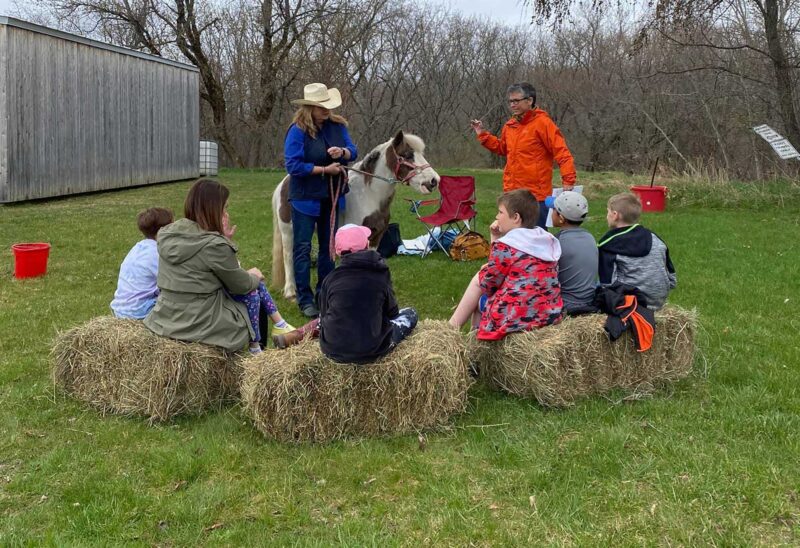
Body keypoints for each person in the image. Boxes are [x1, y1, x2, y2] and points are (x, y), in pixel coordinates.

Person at [145, 179, 267, 352]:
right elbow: (241, 285)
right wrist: (255, 276)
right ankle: (257, 355)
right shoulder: (214, 245)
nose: (226, 213)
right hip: (200, 324)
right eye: (225, 207)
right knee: (255, 296)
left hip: (165, 318)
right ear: (214, 209)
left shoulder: (167, 233)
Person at [272, 224, 418, 364]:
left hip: (332, 349)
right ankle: (298, 334)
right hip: (373, 349)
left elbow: (324, 314)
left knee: (328, 319)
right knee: (411, 313)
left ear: (338, 252)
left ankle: (298, 334)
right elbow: (392, 312)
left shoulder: (330, 279)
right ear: (366, 246)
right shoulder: (380, 273)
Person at [284, 82, 358, 318]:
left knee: (329, 248)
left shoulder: (337, 126)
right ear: (310, 108)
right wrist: (324, 170)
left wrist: (343, 153)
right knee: (303, 248)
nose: (326, 111)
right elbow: (293, 165)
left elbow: (352, 150)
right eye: (321, 107)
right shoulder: (297, 131)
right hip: (305, 198)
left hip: (332, 196)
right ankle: (305, 298)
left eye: (327, 106)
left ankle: (324, 294)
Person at [449, 189, 563, 340]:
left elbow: (489, 284)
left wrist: (495, 242)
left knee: (479, 280)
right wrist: (496, 237)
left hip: (515, 319)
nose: (496, 216)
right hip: (548, 316)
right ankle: (471, 342)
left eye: (500, 212)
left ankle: (450, 331)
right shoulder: (546, 242)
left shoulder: (505, 246)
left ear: (515, 217)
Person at [470, 82, 577, 229]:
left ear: (530, 100)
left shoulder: (543, 123)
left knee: (535, 239)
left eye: (516, 101)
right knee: (511, 237)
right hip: (512, 193)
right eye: (510, 101)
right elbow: (503, 148)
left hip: (535, 196)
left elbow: (562, 153)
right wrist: (482, 134)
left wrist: (568, 181)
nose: (512, 105)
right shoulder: (510, 125)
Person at [221, 210, 294, 353]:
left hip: (231, 285)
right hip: (224, 292)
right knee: (253, 295)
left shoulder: (219, 241)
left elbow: (233, 270)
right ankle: (255, 344)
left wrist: (227, 239)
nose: (227, 221)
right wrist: (251, 276)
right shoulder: (213, 244)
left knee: (257, 285)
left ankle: (280, 324)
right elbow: (232, 277)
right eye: (223, 218)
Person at [598, 192, 677, 310]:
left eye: (607, 212)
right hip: (658, 301)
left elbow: (608, 283)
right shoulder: (655, 238)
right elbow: (672, 278)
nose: (606, 216)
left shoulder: (608, 244)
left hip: (630, 303)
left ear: (615, 215)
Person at [110, 207, 174, 319]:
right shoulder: (157, 253)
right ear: (162, 231)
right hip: (138, 311)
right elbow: (171, 282)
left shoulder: (138, 248)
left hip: (120, 308)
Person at [548, 191, 598, 315]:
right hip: (590, 301)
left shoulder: (556, 242)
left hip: (566, 305)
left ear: (561, 218)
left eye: (553, 209)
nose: (551, 212)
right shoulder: (590, 237)